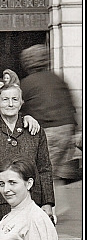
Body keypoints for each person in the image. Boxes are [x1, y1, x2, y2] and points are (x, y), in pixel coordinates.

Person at [0, 84, 55, 225]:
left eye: (15, 99)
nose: (10, 104)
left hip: (31, 200)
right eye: (5, 99)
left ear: (21, 103)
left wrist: (48, 202)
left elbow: (44, 168)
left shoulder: (34, 131)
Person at [20, 44, 80, 183]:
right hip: (65, 129)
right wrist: (75, 131)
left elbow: (20, 109)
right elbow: (71, 105)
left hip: (46, 132)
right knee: (53, 171)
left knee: (43, 174)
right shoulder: (57, 78)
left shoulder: (27, 83)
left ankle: (50, 203)